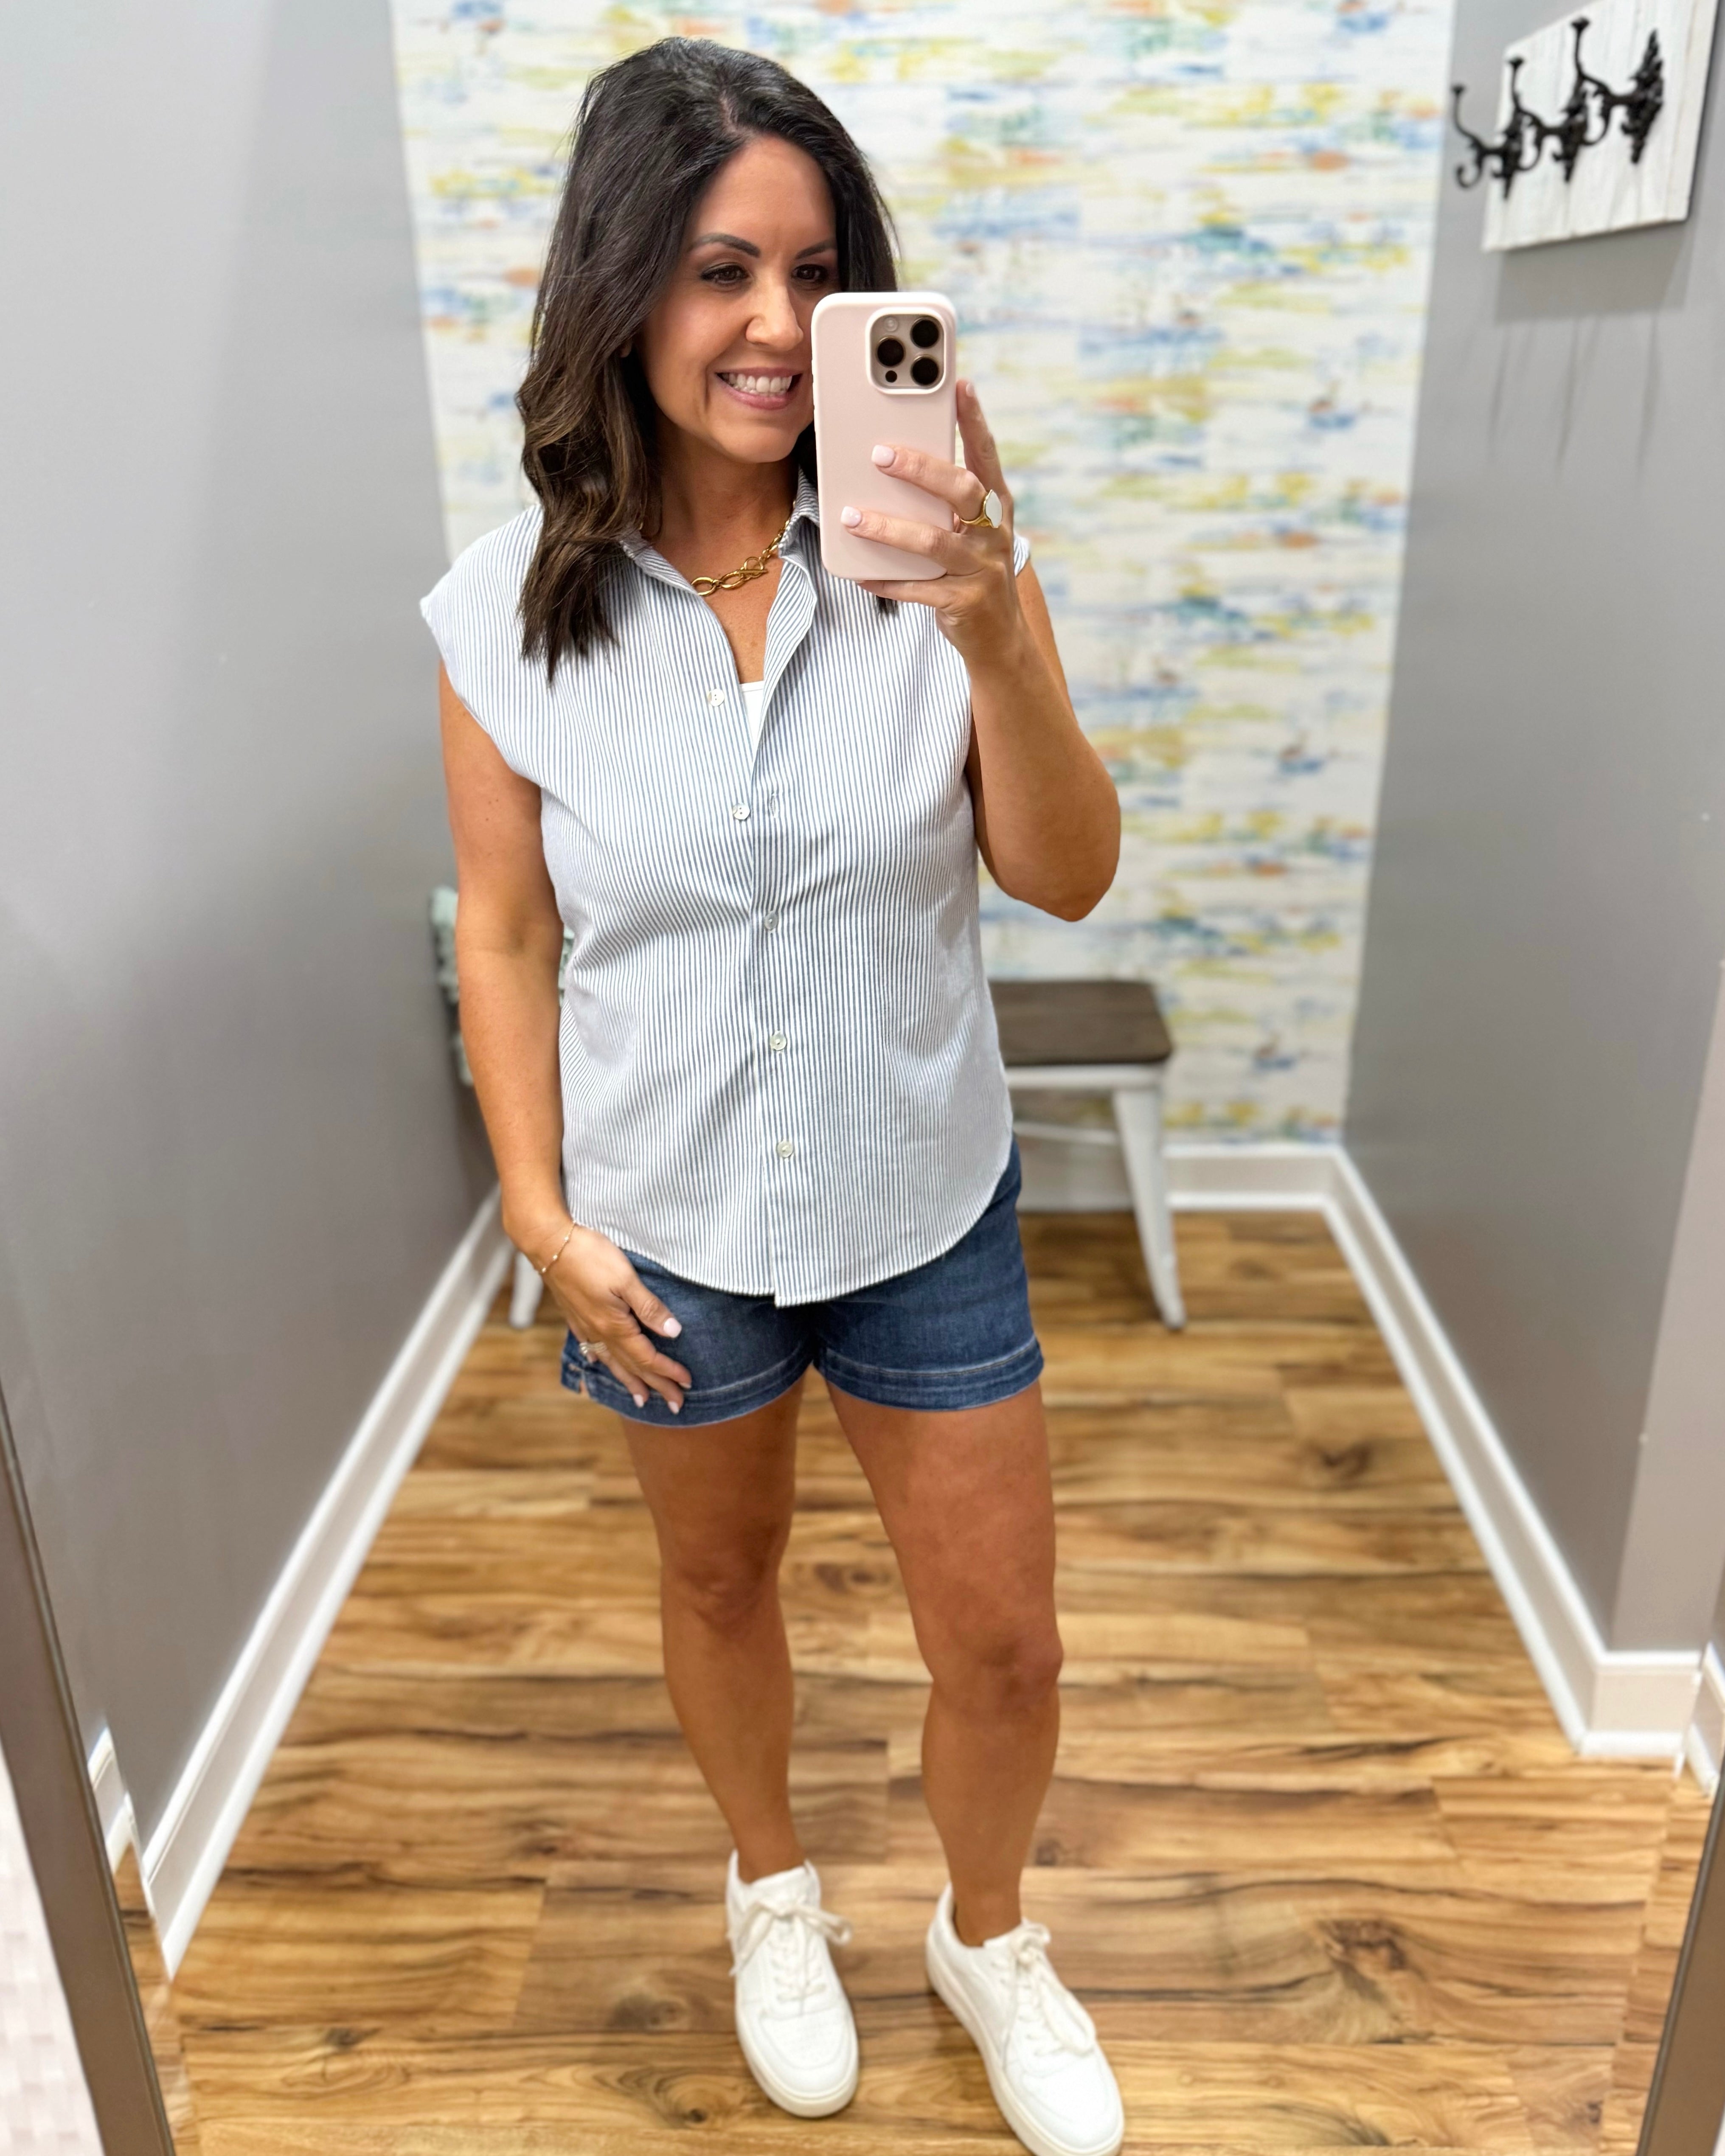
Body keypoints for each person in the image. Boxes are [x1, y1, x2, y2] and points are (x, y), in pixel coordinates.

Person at [424, 37, 1123, 2156]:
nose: (759, 328)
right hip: (666, 1231)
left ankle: (984, 1938)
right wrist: (539, 1214)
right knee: (718, 1587)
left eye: (808, 276)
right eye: (715, 269)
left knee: (1001, 1645)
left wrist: (997, 629)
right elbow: (507, 933)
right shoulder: (498, 619)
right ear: (620, 287)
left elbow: (1062, 873)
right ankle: (772, 1893)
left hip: (922, 1198)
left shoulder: (938, 564)